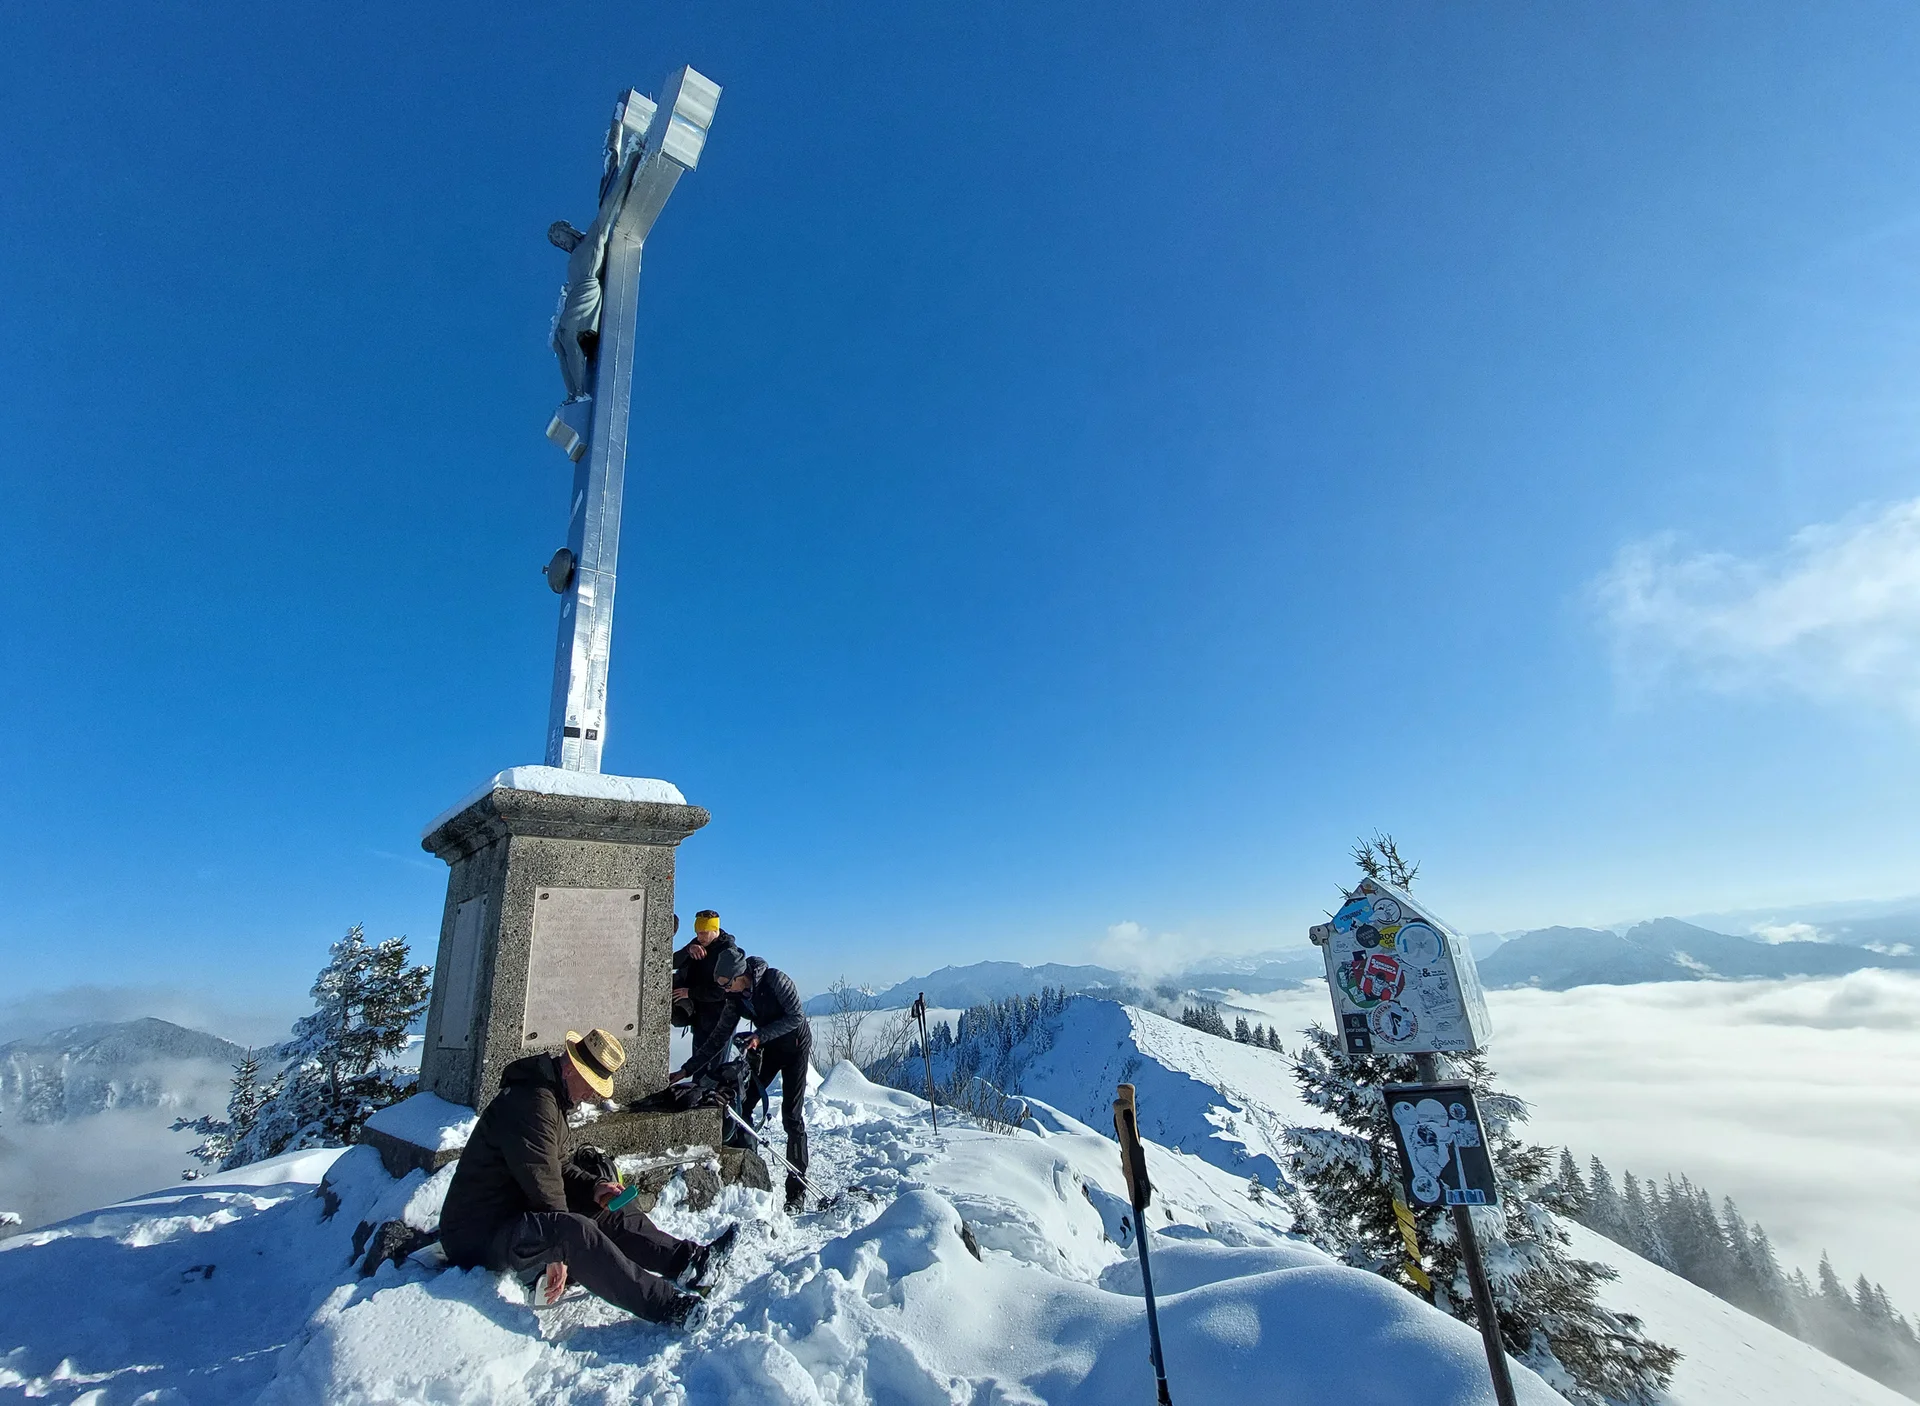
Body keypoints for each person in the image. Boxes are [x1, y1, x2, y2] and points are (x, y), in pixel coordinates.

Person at [438, 1027, 735, 1326]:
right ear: (569, 1069)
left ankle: (689, 1263)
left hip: (513, 1211)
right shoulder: (532, 1103)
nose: (593, 1093)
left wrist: (594, 1187)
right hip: (478, 1233)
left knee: (608, 1208)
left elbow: (558, 1166)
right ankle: (666, 1306)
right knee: (573, 1231)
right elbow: (543, 1183)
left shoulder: (549, 1097)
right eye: (591, 1082)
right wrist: (556, 1247)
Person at [673, 947, 812, 1211]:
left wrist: (760, 1035)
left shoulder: (776, 980)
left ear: (740, 975)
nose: (725, 990)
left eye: (727, 984)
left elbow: (796, 1017)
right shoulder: (735, 997)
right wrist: (686, 1070)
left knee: (792, 1118)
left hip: (795, 1048)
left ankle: (797, 1191)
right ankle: (752, 1174)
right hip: (767, 1049)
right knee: (744, 1107)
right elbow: (718, 1037)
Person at [670, 911, 738, 1039]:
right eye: (697, 933)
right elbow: (671, 963)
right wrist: (688, 949)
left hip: (719, 1018)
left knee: (714, 1057)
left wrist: (690, 993)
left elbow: (723, 991)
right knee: (698, 1056)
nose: (700, 937)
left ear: (714, 930)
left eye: (703, 933)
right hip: (699, 1016)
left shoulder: (729, 952)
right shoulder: (698, 943)